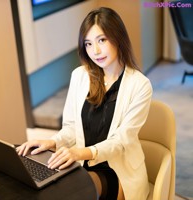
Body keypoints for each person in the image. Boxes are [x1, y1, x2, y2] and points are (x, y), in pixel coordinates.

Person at [17, 7, 152, 200]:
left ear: (118, 37)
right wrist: (53, 141)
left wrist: (81, 153)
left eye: (102, 40)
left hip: (117, 170)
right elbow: (72, 128)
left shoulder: (140, 85)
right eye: (88, 44)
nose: (95, 51)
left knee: (74, 193)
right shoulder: (80, 76)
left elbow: (121, 141)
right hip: (82, 164)